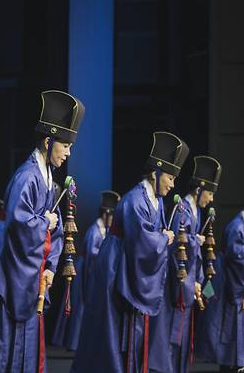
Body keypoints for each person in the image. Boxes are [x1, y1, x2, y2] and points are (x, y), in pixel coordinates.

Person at [0, 90, 85, 372]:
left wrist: (50, 265)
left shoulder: (48, 179)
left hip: (26, 270)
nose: (68, 152)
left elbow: (57, 229)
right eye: (65, 145)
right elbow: (20, 224)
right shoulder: (27, 176)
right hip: (5, 270)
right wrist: (45, 224)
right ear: (49, 141)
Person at [72, 131, 188, 373]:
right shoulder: (136, 200)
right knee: (111, 331)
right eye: (170, 177)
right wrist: (164, 238)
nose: (172, 184)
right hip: (116, 269)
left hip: (127, 264)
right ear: (156, 173)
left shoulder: (153, 200)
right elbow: (143, 242)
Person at [151, 155, 222, 373]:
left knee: (180, 335)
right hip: (177, 282)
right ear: (199, 189)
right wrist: (194, 242)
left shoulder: (195, 211)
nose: (210, 199)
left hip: (189, 280)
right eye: (209, 193)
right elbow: (176, 250)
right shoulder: (182, 209)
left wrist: (198, 280)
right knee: (171, 335)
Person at [195, 176, 244, 373]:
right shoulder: (237, 225)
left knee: (235, 319)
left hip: (237, 277)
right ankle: (228, 361)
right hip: (228, 277)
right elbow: (233, 252)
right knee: (227, 320)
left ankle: (236, 360)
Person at [51, 190, 120, 351]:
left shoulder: (104, 231)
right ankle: (76, 343)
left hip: (91, 269)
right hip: (85, 270)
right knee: (81, 304)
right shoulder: (94, 232)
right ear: (106, 215)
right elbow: (90, 255)